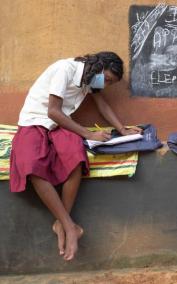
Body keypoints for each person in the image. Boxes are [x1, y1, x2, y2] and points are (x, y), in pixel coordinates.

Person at [9, 51, 142, 261]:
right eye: (106, 79)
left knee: (76, 156)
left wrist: (122, 130)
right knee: (31, 163)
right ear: (98, 66)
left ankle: (61, 224)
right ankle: (70, 226)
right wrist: (89, 134)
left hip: (59, 125)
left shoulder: (92, 79)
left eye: (109, 83)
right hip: (34, 121)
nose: (104, 84)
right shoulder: (65, 69)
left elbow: (102, 104)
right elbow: (53, 111)